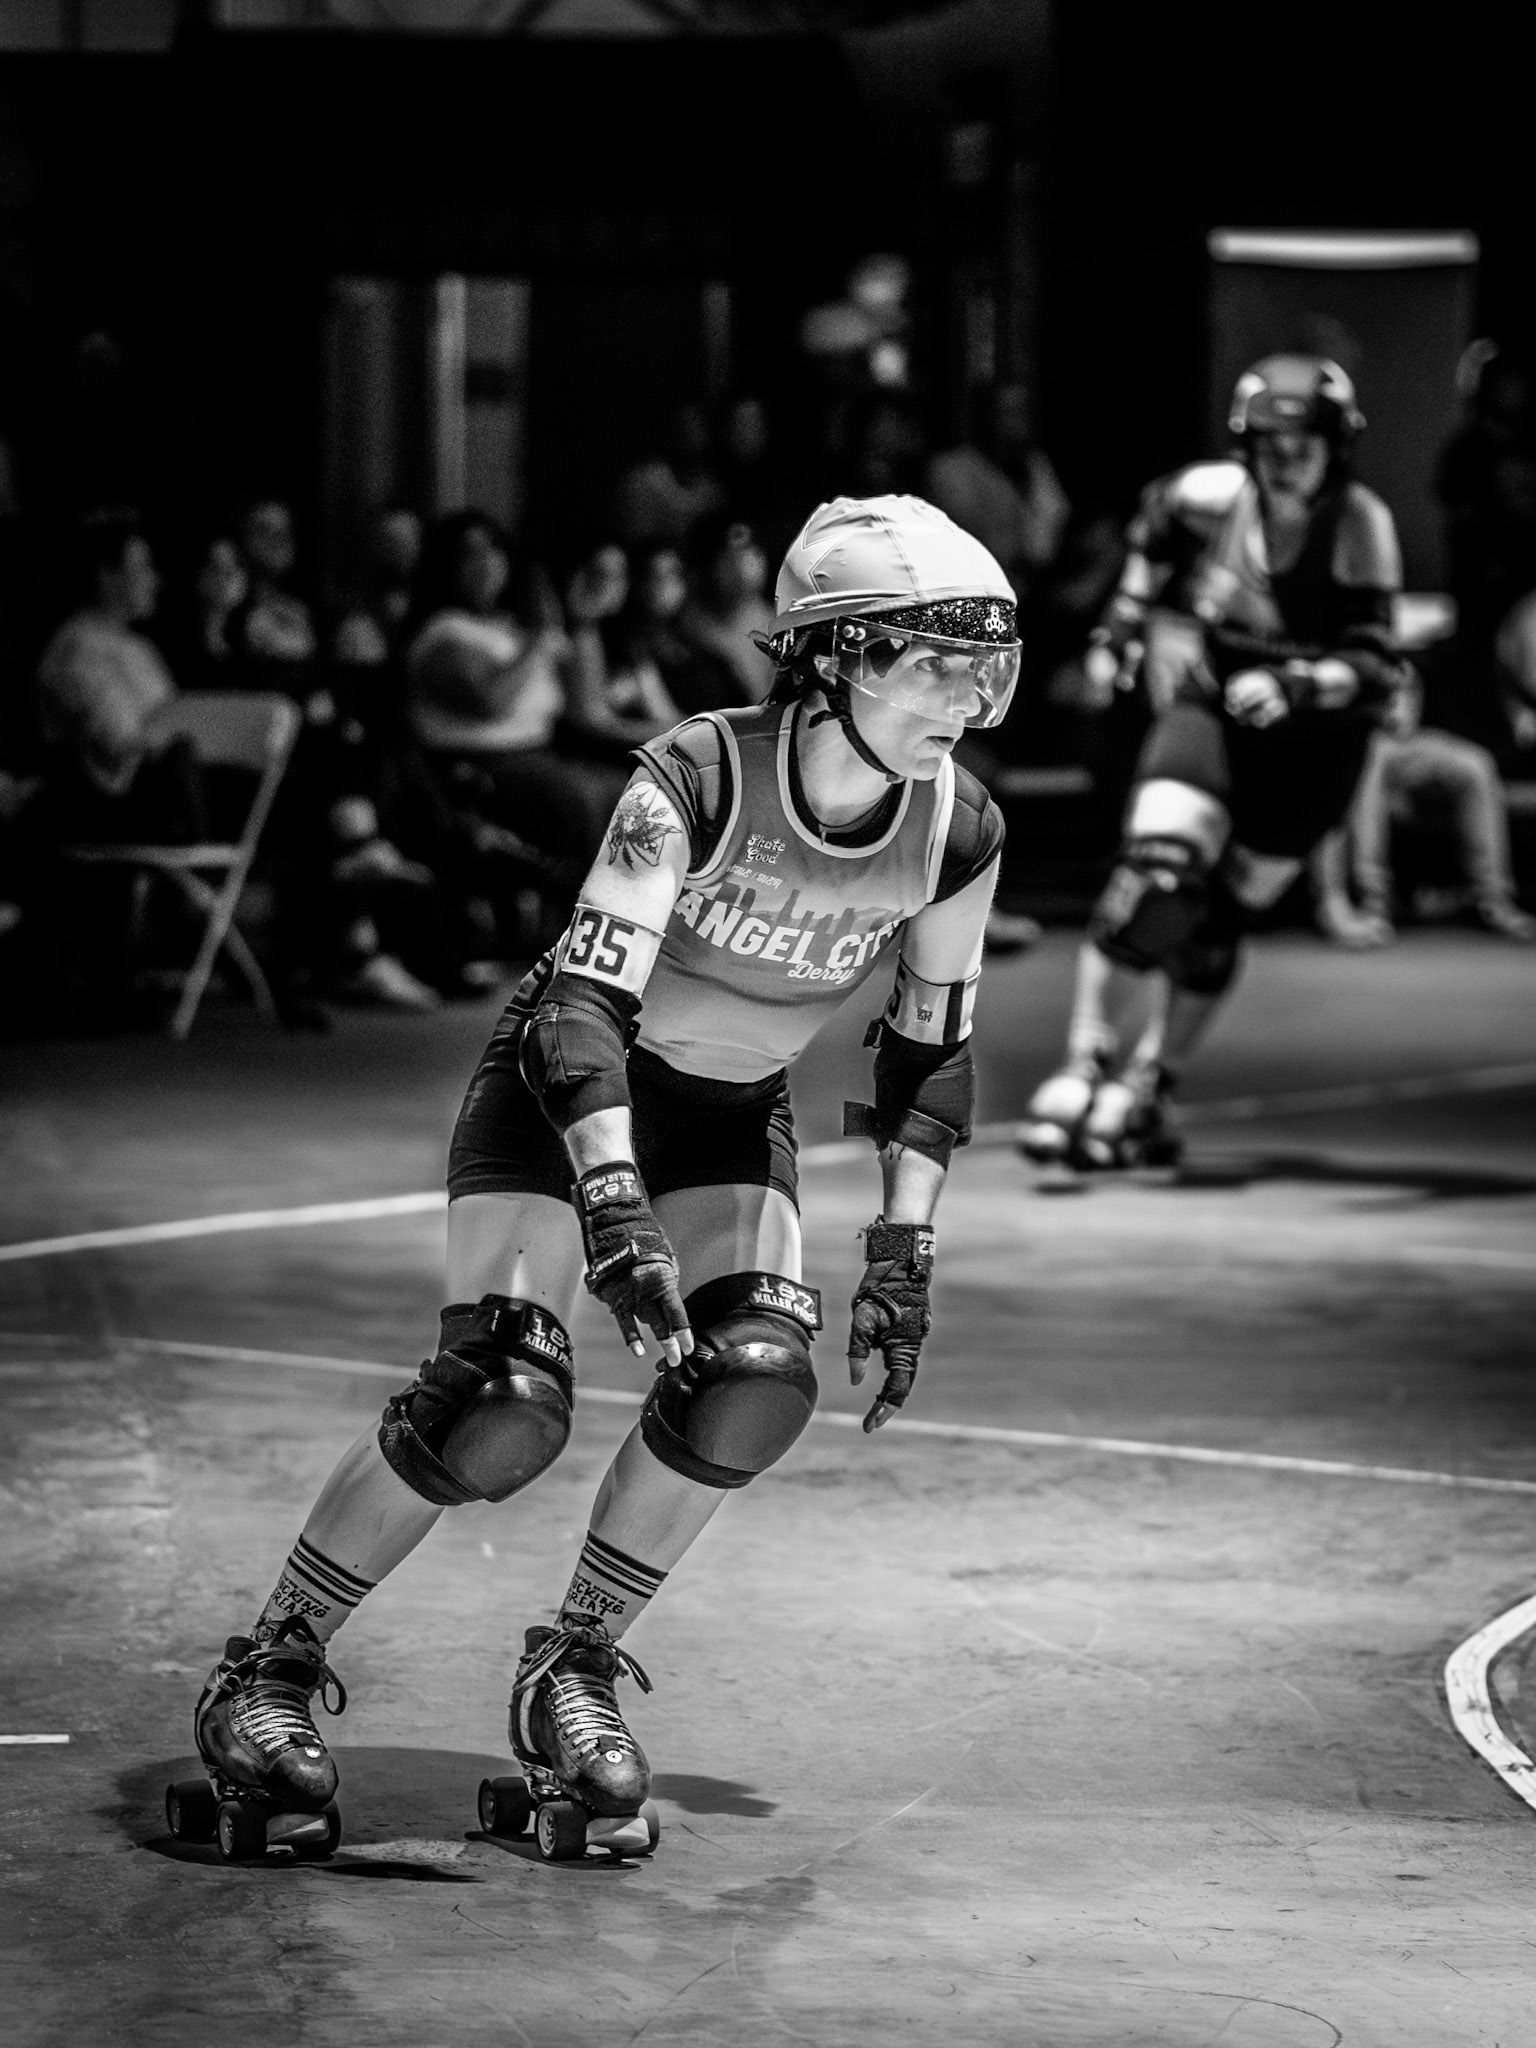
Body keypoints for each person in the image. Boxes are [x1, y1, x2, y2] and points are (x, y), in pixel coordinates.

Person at [181, 494, 1020, 1862]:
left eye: (988, 670)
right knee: (497, 1397)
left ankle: (569, 1669)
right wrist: (615, 1207)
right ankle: (269, 1667)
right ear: (834, 658)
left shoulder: (957, 827)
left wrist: (904, 1252)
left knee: (754, 1376)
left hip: (727, 1112)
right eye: (937, 665)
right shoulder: (695, 778)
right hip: (567, 1092)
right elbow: (581, 1017)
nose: (968, 703)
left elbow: (930, 1056)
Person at [1021, 355, 1412, 1171]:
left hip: (1316, 747)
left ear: (1336, 448)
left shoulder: (1358, 524)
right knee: (1155, 879)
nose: (1285, 460)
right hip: (1217, 710)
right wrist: (1121, 627)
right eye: (1269, 444)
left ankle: (1149, 1084)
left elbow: (1378, 666)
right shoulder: (1208, 496)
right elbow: (1153, 525)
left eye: (1303, 445)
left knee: (1215, 925)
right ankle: (1084, 1064)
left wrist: (1298, 683)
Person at [1311, 678, 1535, 946]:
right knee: (1366, 757)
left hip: (1404, 742)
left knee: (1477, 764)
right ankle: (1373, 900)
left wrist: (1400, 706)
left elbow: (1406, 708)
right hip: (1353, 738)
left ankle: (1495, 900)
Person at [35, 514, 206, 845]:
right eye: (142, 567)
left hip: (159, 789)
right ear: (106, 574)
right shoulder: (79, 646)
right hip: (108, 805)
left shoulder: (140, 648)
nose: (154, 581)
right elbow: (117, 740)